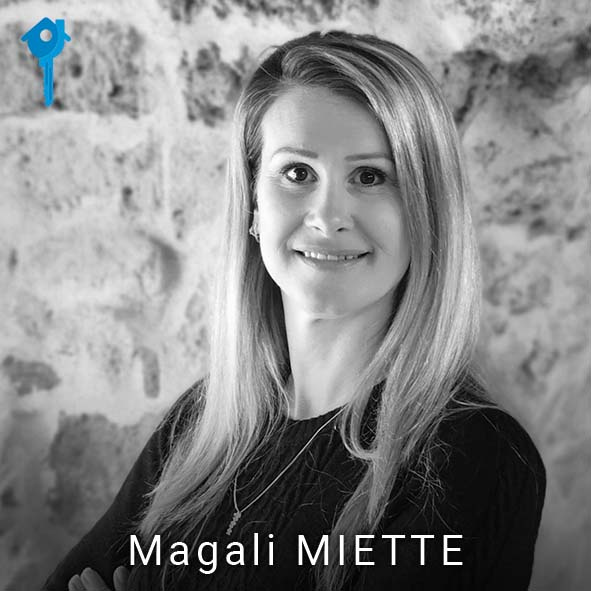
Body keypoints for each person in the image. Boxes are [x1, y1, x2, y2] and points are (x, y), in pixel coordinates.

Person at [42, 30, 546, 591]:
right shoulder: (201, 425)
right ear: (254, 205)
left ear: (426, 213)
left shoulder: (475, 456)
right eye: (298, 173)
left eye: (371, 176)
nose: (327, 217)